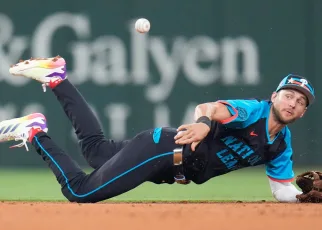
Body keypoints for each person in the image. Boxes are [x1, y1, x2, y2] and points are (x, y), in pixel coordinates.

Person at [0, 56, 315, 203]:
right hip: (164, 150)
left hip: (168, 164)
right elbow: (210, 109)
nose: (292, 103)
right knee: (80, 191)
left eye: (300, 102)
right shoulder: (254, 112)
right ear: (274, 96)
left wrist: (304, 198)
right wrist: (205, 125)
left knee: (96, 150)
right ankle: (34, 133)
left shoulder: (280, 145)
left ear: (302, 113)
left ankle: (56, 77)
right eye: (288, 95)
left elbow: (282, 190)